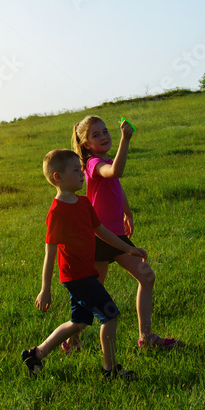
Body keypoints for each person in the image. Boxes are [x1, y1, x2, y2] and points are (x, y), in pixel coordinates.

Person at [22, 149, 147, 379]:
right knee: (110, 315)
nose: (82, 174)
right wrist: (45, 289)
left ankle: (36, 355)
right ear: (58, 177)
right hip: (76, 277)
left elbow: (100, 230)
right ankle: (110, 370)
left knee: (78, 323)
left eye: (82, 169)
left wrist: (127, 247)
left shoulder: (83, 202)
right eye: (76, 170)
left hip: (86, 273)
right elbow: (49, 254)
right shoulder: (57, 213)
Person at [65, 115, 179, 351]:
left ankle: (146, 338)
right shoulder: (93, 164)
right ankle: (71, 341)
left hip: (116, 236)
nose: (104, 136)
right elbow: (116, 172)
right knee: (93, 294)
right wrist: (125, 139)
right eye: (96, 135)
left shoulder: (103, 159)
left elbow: (116, 186)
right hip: (99, 237)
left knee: (147, 277)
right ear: (86, 144)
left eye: (105, 132)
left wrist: (128, 212)